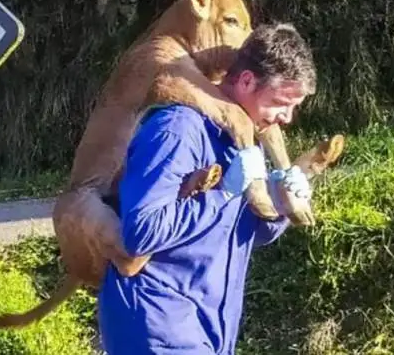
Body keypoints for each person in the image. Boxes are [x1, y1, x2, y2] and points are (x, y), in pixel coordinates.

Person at [97, 22, 317, 355]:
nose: (287, 118)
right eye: (280, 103)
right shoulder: (178, 130)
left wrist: (281, 205)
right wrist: (224, 192)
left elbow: (233, 235)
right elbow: (140, 232)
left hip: (205, 328)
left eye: (293, 107)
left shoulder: (245, 141)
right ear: (246, 81)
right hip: (157, 324)